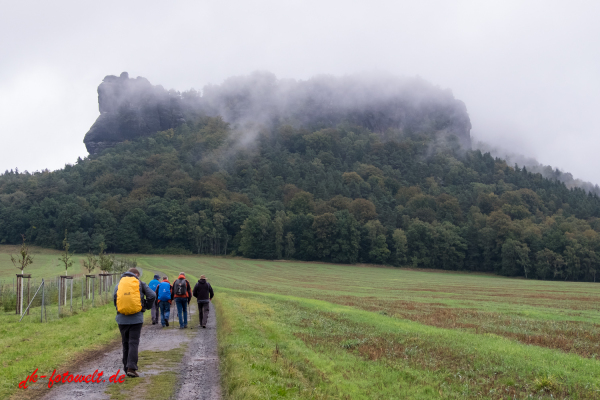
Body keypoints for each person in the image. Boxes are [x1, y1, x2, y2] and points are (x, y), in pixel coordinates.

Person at [113, 268, 156, 378]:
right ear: (136, 274)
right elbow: (152, 295)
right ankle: (131, 368)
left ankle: (125, 368)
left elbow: (115, 298)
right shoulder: (140, 283)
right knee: (133, 342)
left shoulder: (119, 284)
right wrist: (146, 306)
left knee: (125, 342)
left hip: (122, 318)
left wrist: (120, 309)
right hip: (136, 318)